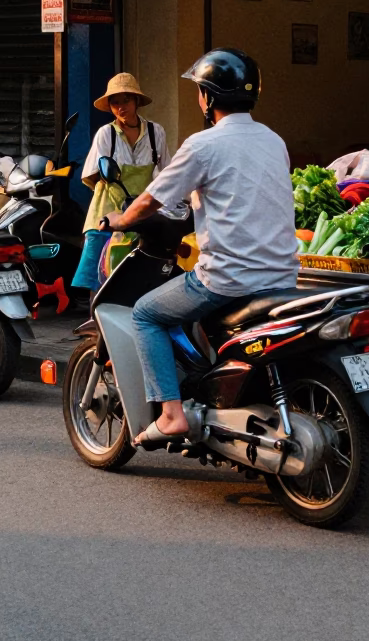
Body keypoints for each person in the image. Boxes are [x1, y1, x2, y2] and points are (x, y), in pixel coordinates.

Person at [103, 48, 298, 446]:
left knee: (145, 313)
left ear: (208, 97)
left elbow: (150, 200)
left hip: (227, 279)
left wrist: (121, 220)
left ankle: (172, 415)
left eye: (198, 91)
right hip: (282, 276)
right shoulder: (274, 141)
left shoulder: (203, 144)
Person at [71, 73, 171, 301]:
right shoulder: (106, 134)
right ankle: (96, 327)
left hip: (142, 212)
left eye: (125, 100)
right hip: (107, 210)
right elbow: (92, 175)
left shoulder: (156, 133)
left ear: (136, 101)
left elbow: (167, 172)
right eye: (115, 102)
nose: (120, 107)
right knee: (99, 273)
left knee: (143, 269)